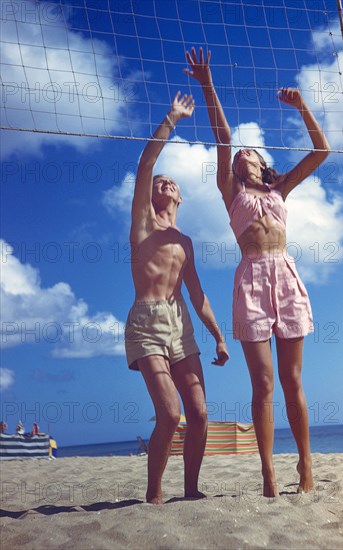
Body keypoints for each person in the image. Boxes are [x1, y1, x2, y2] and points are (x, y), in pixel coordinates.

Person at [185, 47, 330, 497]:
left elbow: (321, 150)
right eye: (236, 156)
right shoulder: (232, 193)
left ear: (262, 163)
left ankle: (306, 465)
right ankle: (268, 472)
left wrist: (303, 106)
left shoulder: (279, 186)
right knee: (264, 383)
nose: (239, 155)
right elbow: (223, 135)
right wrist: (207, 83)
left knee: (293, 380)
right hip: (250, 277)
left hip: (285, 274)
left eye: (248, 153)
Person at [125, 90, 229, 504]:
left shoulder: (184, 240)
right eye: (160, 182)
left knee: (200, 414)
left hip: (181, 323)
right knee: (170, 413)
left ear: (180, 198)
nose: (165, 181)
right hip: (147, 321)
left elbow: (199, 294)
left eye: (173, 182)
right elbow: (146, 162)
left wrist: (219, 335)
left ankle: (190, 491)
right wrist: (171, 118)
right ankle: (153, 494)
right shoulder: (143, 223)